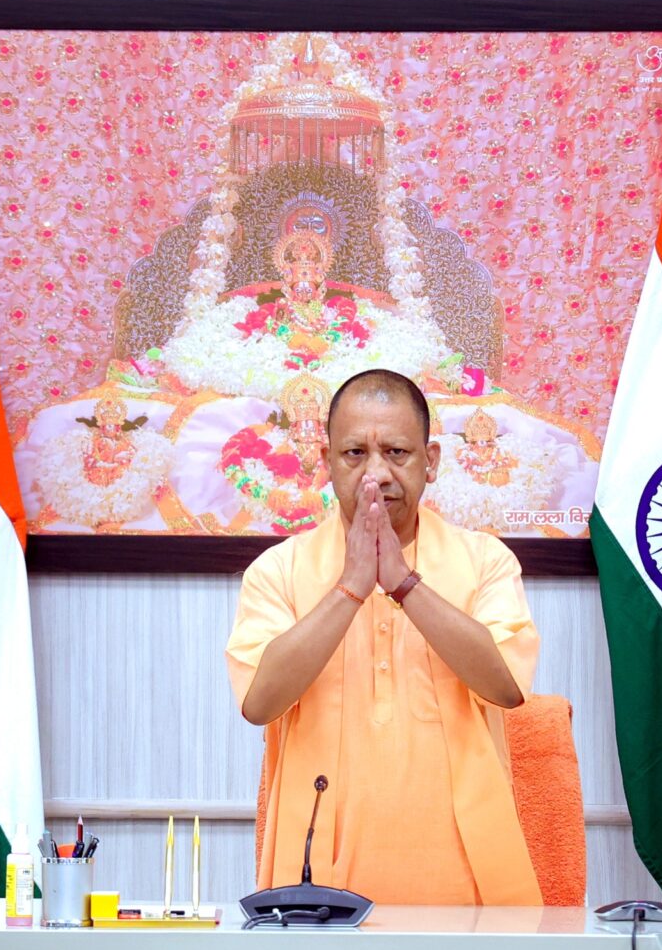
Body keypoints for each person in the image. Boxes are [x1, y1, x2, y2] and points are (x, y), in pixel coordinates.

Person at [225, 369, 542, 905]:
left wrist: (403, 583)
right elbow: (259, 702)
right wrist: (351, 587)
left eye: (396, 452)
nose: (377, 474)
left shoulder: (485, 560)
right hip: (318, 880)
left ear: (431, 461)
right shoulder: (278, 570)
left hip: (468, 880)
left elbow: (507, 685)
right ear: (326, 462)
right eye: (355, 454)